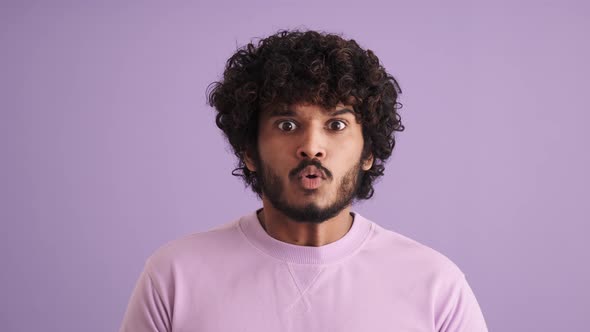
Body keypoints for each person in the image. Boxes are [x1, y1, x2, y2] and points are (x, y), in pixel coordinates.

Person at [119, 30, 488, 331]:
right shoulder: (174, 275)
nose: (311, 147)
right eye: (287, 125)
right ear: (249, 151)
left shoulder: (435, 284)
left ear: (368, 152)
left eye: (336, 125)